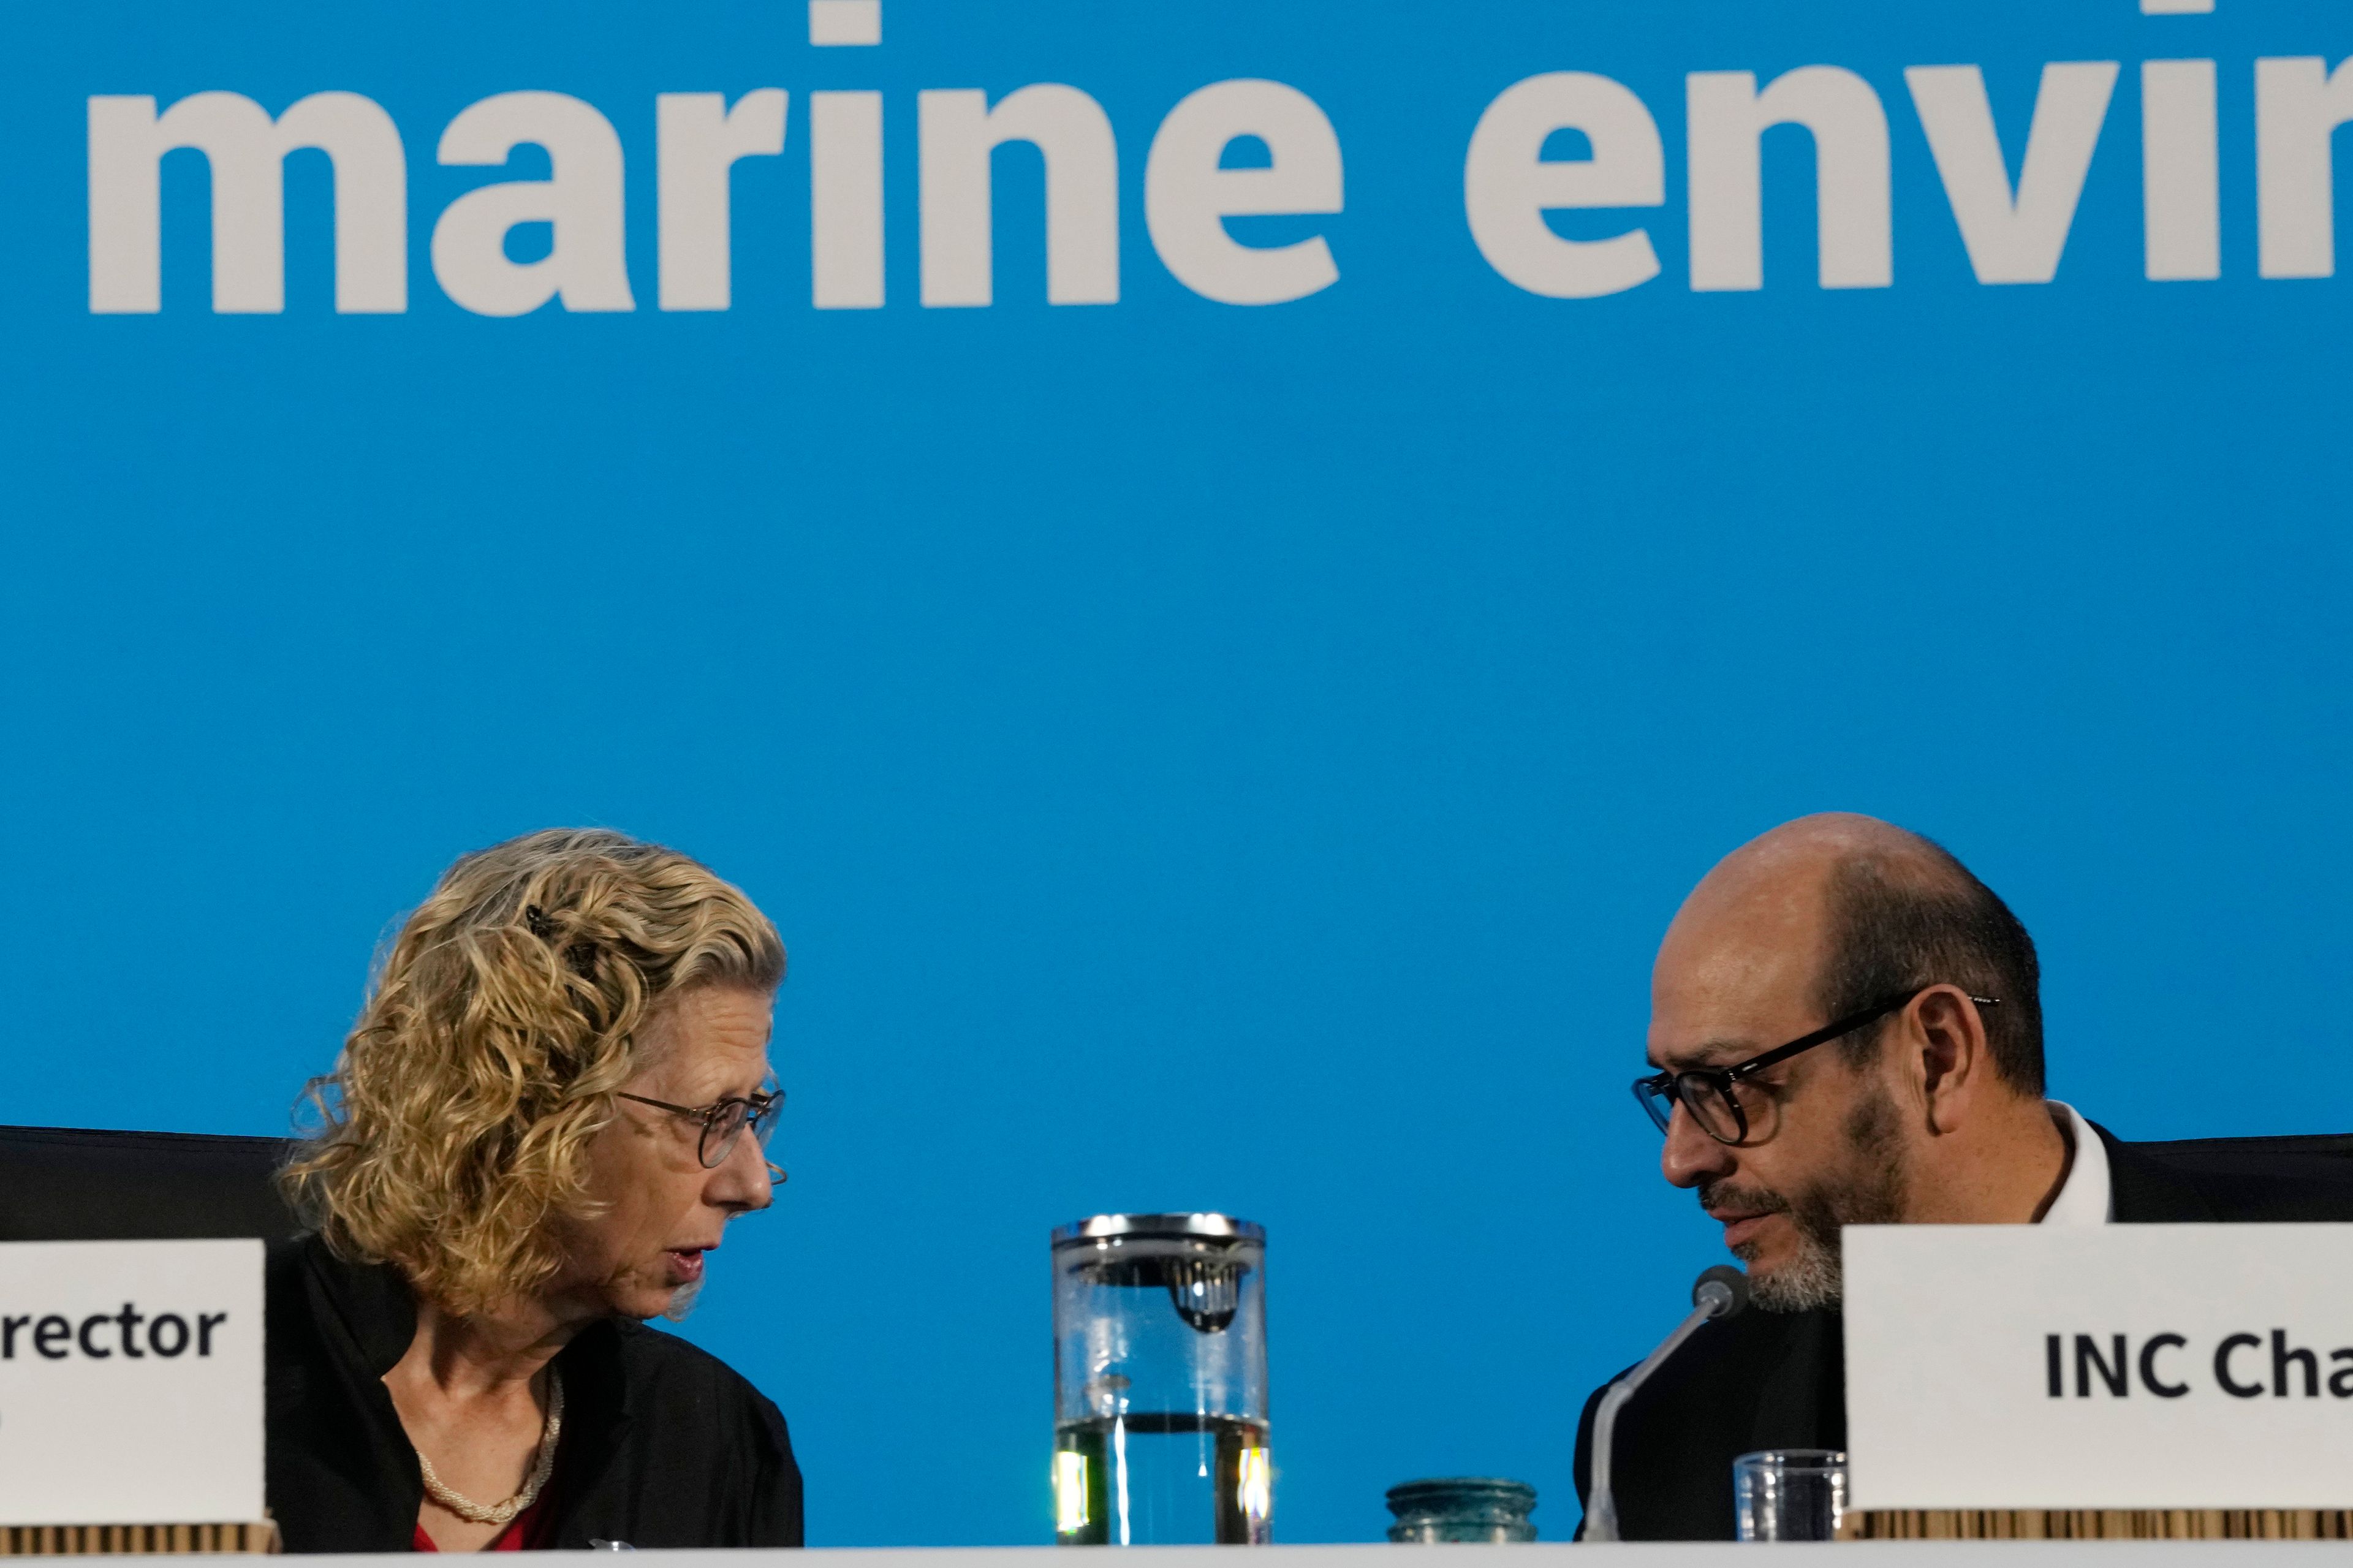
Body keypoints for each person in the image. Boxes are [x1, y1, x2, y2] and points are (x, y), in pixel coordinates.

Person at [1574, 813, 2353, 1541]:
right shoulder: (1657, 1431)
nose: (1682, 1161)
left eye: (1728, 1082)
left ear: (1936, 1056)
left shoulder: (2331, 1286)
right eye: (1675, 1092)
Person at [267, 828, 802, 1552]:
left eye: (752, 1116)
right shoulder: (196, 1387)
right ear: (526, 1107)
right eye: (711, 1118)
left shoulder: (715, 1441)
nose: (749, 1187)